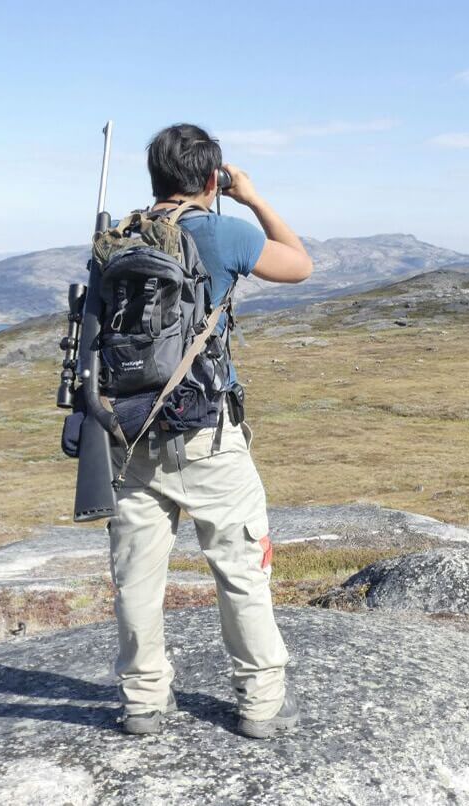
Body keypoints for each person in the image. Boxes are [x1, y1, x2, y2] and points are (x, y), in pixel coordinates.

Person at [106, 123, 314, 738]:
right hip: (205, 433)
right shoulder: (221, 231)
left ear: (154, 177)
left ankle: (143, 700)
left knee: (136, 576)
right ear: (211, 178)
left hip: (126, 433)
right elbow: (299, 265)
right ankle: (261, 702)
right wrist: (251, 197)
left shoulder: (116, 241)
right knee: (241, 566)